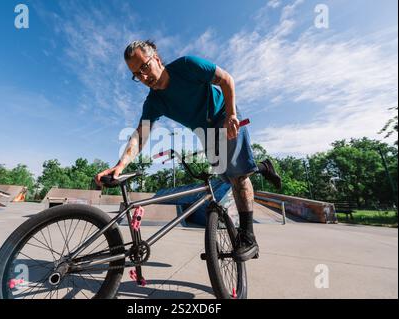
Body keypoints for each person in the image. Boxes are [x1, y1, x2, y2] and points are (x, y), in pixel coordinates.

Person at [95, 40, 281, 262]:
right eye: (137, 75)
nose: (144, 77)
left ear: (157, 59)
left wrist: (231, 114)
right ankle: (263, 167)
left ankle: (248, 237)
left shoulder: (187, 66)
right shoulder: (154, 102)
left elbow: (226, 79)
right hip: (205, 133)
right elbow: (140, 135)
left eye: (144, 67)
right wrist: (121, 164)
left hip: (224, 117)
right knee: (228, 178)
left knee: (239, 176)